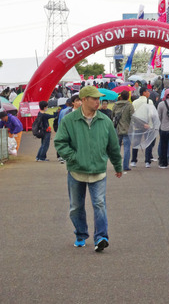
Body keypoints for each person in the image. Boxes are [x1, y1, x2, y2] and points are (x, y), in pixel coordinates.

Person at [54, 86, 123, 251]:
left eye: (99, 99)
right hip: (76, 171)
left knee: (99, 204)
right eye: (94, 98)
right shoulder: (69, 120)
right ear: (83, 100)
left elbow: (113, 146)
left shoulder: (105, 121)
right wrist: (73, 157)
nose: (98, 102)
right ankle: (80, 234)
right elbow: (60, 142)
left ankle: (101, 237)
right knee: (76, 207)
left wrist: (118, 165)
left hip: (98, 171)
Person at [131, 86, 156, 168]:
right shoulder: (150, 102)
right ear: (144, 92)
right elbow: (152, 114)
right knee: (148, 143)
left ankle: (134, 160)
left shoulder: (134, 102)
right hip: (148, 125)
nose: (149, 93)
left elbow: (133, 115)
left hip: (137, 125)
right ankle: (147, 161)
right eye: (147, 91)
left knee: (136, 143)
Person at [112, 91, 134, 171]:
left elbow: (112, 115)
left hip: (117, 129)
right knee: (127, 148)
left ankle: (117, 165)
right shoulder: (129, 105)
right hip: (127, 129)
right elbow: (133, 116)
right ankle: (125, 166)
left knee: (117, 148)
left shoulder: (115, 105)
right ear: (128, 97)